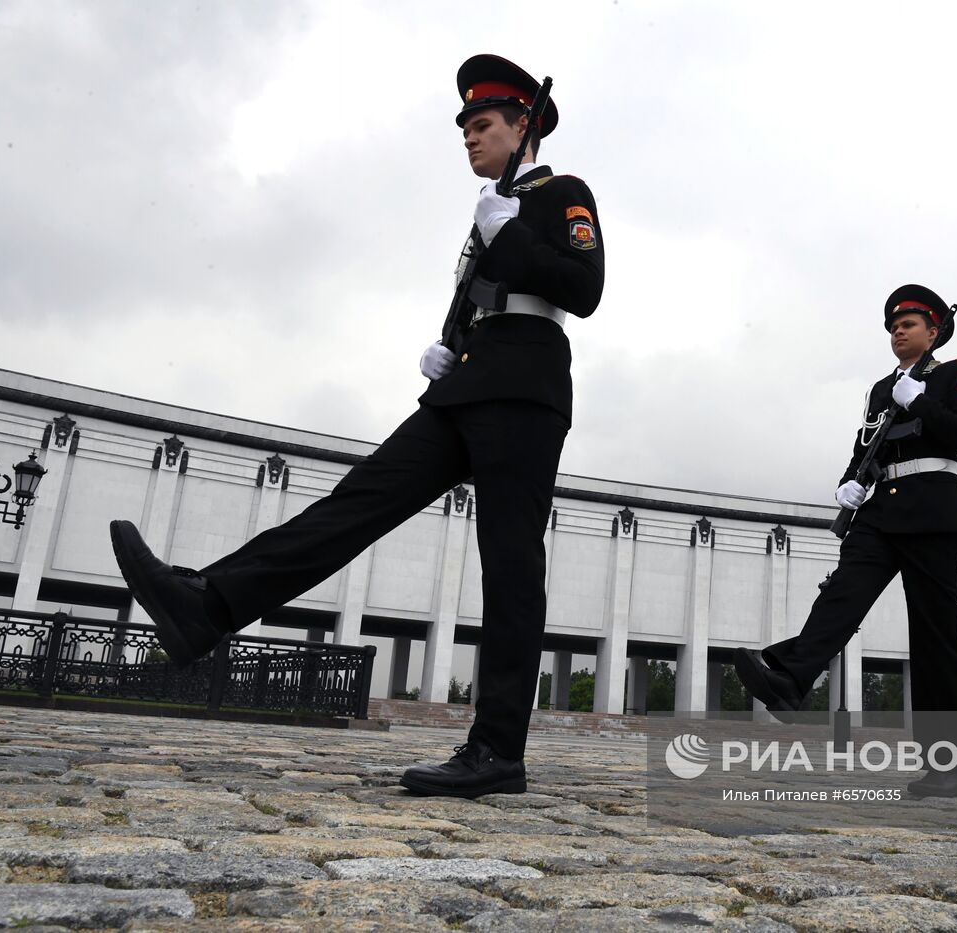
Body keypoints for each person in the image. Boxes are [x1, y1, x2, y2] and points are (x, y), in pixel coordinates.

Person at [108, 54, 605, 799]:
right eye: (465, 127)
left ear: (523, 126)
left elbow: (585, 288)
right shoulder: (487, 211)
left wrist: (508, 238)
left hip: (527, 387)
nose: (469, 137)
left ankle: (497, 748)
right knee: (353, 505)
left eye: (483, 124)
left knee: (508, 566)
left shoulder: (560, 192)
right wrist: (453, 343)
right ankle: (205, 604)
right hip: (470, 381)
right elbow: (480, 296)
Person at [735, 285, 957, 798]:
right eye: (893, 326)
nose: (899, 332)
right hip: (881, 509)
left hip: (933, 509)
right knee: (841, 595)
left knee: (935, 637)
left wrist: (922, 402)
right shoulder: (880, 389)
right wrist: (852, 479)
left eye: (910, 324)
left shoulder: (954, 373)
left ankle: (944, 767)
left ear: (934, 330)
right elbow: (868, 444)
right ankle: (789, 680)